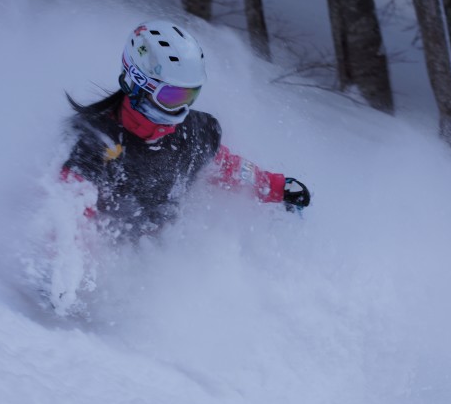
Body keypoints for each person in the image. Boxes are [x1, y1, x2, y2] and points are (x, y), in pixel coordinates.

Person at [61, 20, 310, 240]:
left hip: (160, 248)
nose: (181, 106)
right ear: (137, 85)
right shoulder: (95, 140)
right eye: (172, 95)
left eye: (190, 95)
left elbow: (224, 165)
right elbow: (69, 210)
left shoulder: (190, 132)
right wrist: (65, 269)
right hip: (110, 254)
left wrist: (273, 186)